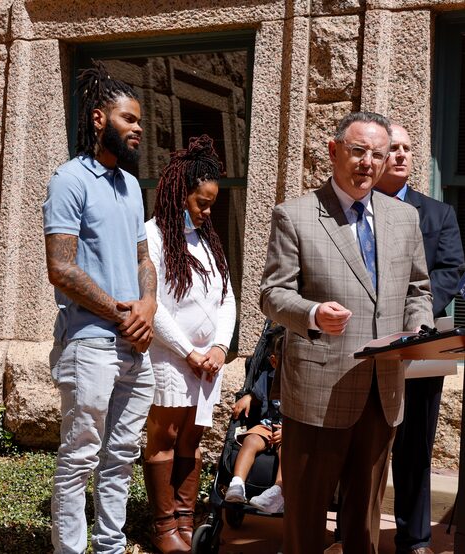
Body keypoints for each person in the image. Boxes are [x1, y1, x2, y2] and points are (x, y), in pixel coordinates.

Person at [259, 111, 433, 553]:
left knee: (364, 523)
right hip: (319, 390)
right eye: (358, 151)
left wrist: (419, 326)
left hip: (384, 390)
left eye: (378, 154)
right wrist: (314, 313)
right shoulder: (295, 215)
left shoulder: (404, 217)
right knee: (306, 521)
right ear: (334, 152)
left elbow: (418, 289)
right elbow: (273, 295)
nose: (368, 163)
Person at [42, 61, 157, 554]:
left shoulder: (131, 187)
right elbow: (60, 268)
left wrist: (148, 305)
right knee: (80, 456)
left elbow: (142, 258)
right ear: (98, 119)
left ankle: (110, 546)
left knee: (122, 455)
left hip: (134, 343)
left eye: (139, 123)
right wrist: (121, 313)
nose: (137, 130)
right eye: (129, 119)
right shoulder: (69, 181)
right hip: (89, 343)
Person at [141, 136, 235, 553]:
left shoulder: (209, 241)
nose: (208, 211)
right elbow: (152, 304)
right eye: (202, 202)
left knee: (192, 439)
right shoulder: (153, 236)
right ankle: (163, 526)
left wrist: (218, 347)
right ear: (180, 194)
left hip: (206, 363)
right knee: (166, 434)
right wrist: (190, 351)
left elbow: (227, 297)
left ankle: (185, 519)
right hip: (170, 357)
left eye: (211, 202)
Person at [374, 124, 464, 554]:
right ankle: (354, 531)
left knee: (416, 447)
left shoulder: (438, 214)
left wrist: (418, 315)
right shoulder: (359, 210)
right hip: (367, 340)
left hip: (426, 342)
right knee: (363, 443)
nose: (402, 155)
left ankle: (415, 538)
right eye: (393, 148)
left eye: (408, 148)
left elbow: (450, 270)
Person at [225, 326, 284, 514]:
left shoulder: (302, 382)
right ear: (274, 362)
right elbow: (257, 396)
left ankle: (278, 492)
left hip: (291, 430)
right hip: (267, 426)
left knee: (288, 450)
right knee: (250, 440)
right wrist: (249, 397)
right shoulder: (267, 378)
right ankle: (237, 484)